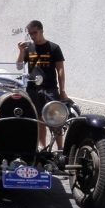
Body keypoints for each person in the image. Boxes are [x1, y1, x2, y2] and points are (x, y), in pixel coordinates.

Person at [16, 19, 67, 150]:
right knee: (39, 120)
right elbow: (18, 66)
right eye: (30, 33)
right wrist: (21, 51)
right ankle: (42, 147)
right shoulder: (28, 48)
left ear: (41, 30)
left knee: (55, 119)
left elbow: (60, 69)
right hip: (33, 89)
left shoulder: (54, 48)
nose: (32, 36)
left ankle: (60, 149)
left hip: (50, 88)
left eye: (35, 32)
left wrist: (62, 90)